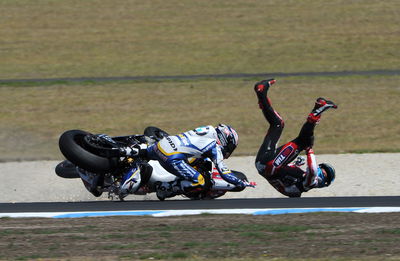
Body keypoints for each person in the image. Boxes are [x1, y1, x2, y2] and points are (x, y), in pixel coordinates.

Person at [122, 124, 255, 200]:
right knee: (199, 181)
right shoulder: (215, 148)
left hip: (165, 145)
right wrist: (240, 182)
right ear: (226, 141)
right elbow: (224, 172)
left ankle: (125, 151)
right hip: (173, 158)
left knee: (143, 146)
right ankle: (166, 188)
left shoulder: (207, 130)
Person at [253, 78, 337, 197]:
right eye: (322, 169)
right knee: (277, 124)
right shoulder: (302, 181)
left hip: (270, 166)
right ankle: (261, 93)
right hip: (261, 164)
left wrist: (309, 151)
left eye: (325, 173)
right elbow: (286, 176)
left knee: (304, 142)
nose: (321, 171)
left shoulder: (309, 183)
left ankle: (316, 113)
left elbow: (312, 171)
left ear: (324, 181)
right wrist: (296, 164)